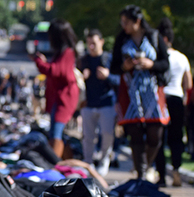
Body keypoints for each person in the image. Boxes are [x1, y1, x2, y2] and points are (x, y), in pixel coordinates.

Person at [111, 4, 170, 182]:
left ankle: (145, 167)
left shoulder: (154, 37)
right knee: (134, 134)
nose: (124, 26)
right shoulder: (121, 40)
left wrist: (151, 64)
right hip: (129, 94)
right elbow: (113, 67)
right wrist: (125, 66)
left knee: (155, 134)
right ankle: (141, 176)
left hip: (152, 93)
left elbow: (165, 64)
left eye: (126, 22)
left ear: (137, 21)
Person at [33, 18, 79, 158]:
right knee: (56, 132)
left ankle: (54, 164)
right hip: (60, 98)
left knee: (56, 132)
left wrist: (40, 62)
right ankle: (64, 160)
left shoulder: (68, 52)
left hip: (65, 98)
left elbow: (56, 71)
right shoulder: (62, 52)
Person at [154, 18, 191, 187]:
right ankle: (176, 169)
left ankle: (161, 176)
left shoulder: (157, 57)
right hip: (176, 98)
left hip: (161, 99)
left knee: (159, 138)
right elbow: (188, 84)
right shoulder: (182, 58)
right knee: (176, 138)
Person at [79, 29, 117, 177]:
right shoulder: (84, 60)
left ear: (101, 42)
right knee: (88, 136)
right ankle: (88, 163)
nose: (91, 47)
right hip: (88, 104)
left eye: (94, 43)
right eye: (89, 44)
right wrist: (82, 77)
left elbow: (119, 80)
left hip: (106, 103)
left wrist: (108, 76)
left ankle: (104, 161)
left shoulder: (109, 59)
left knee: (107, 134)